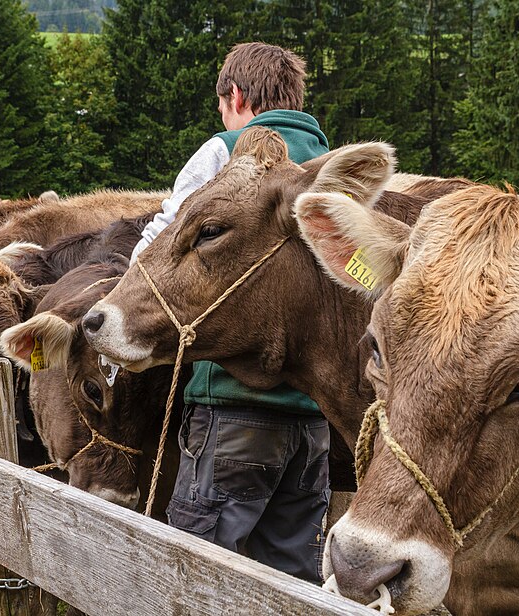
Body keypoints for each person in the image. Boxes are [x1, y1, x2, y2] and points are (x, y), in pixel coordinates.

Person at [132, 42, 330, 583]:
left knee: (197, 567)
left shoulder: (227, 154)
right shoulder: (327, 167)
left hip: (234, 406)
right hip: (314, 417)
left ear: (235, 96)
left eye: (222, 104)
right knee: (291, 573)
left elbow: (159, 249)